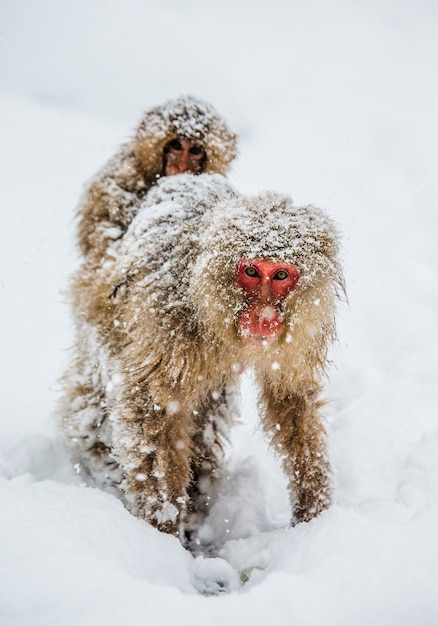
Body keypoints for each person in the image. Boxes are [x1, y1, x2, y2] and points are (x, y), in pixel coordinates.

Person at [76, 95, 238, 265]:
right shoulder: (121, 184)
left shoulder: (216, 196)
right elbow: (99, 253)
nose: (182, 165)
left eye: (195, 151)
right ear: (157, 148)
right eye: (176, 147)